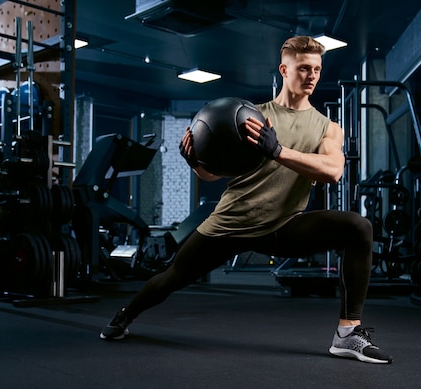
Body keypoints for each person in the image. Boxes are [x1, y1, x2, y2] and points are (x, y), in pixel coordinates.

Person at [100, 35, 392, 364]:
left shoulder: (327, 128)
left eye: (317, 70)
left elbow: (332, 170)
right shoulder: (249, 116)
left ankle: (348, 334)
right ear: (284, 69)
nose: (312, 76)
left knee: (358, 227)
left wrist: (277, 151)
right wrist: (195, 162)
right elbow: (214, 175)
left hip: (283, 225)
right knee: (172, 277)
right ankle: (125, 315)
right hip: (232, 222)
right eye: (304, 68)